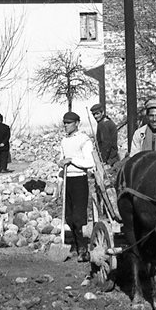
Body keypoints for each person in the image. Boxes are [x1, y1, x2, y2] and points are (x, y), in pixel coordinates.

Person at [58, 111, 95, 263]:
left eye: (69, 123)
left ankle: (83, 248)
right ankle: (74, 244)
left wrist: (71, 160)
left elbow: (89, 162)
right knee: (68, 216)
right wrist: (59, 180)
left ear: (77, 123)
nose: (65, 125)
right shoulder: (64, 141)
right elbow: (61, 161)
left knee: (78, 217)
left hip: (79, 180)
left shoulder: (84, 140)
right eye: (64, 123)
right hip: (67, 180)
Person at [90, 103, 119, 168]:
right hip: (113, 157)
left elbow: (106, 144)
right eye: (94, 114)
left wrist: (103, 160)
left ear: (102, 112)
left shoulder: (103, 124)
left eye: (97, 114)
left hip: (109, 160)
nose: (95, 116)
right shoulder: (108, 121)